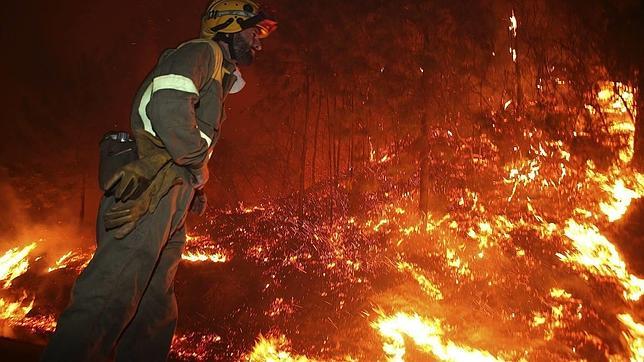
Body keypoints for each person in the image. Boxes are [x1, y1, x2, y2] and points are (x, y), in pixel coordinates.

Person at [41, 1, 276, 361]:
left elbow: (188, 132)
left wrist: (194, 186)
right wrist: (196, 166)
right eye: (253, 32)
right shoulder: (202, 52)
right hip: (149, 189)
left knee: (154, 307)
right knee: (110, 295)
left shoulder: (218, 74)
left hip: (171, 191)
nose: (258, 43)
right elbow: (166, 105)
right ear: (227, 26)